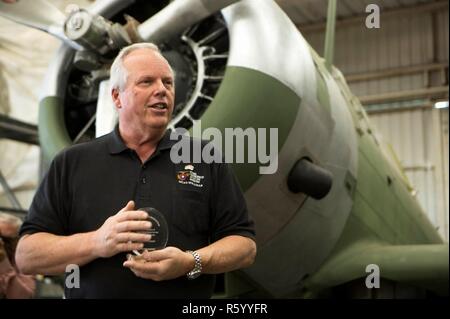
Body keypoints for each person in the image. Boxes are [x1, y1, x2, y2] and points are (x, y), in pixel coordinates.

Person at [16, 43, 256, 298]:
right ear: (117, 97)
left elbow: (245, 246)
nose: (161, 90)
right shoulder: (71, 162)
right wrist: (97, 242)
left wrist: (190, 262)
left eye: (168, 82)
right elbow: (26, 256)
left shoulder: (204, 158)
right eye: (146, 82)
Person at [0, 212, 35, 298]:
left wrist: (3, 262)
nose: (1, 242)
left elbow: (24, 296)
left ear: (18, 240)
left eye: (6, 239)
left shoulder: (25, 261)